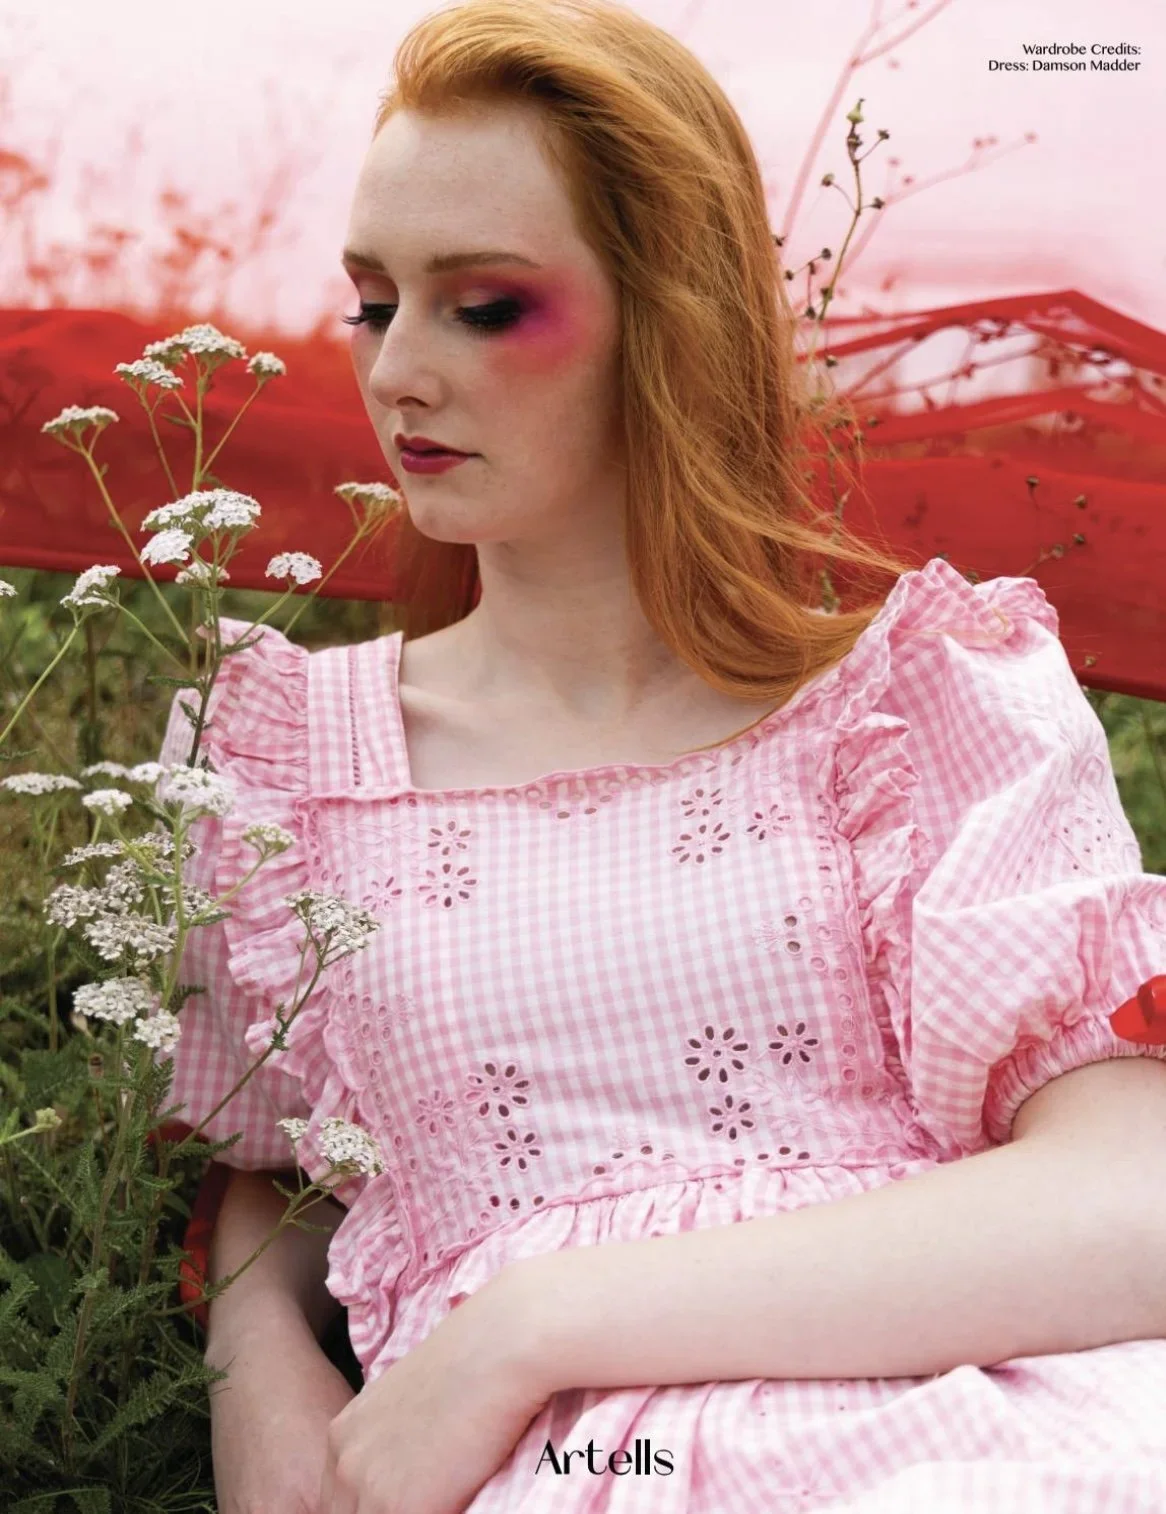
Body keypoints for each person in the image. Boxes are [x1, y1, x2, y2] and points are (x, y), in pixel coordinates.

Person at [155, 1, 1166, 1510]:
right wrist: (256, 1349)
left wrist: (534, 1325)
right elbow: (285, 1163)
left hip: (998, 1421)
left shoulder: (918, 706)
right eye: (373, 301)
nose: (395, 369)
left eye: (482, 306)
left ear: (670, 318)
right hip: (587, 1465)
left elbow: (1136, 1199)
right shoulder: (281, 766)